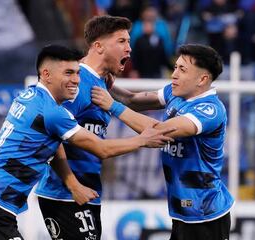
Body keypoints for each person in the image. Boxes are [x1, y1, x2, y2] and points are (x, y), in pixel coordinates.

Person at [0, 44, 174, 240]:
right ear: (46, 74)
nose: (76, 80)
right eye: (68, 73)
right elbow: (101, 148)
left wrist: (73, 185)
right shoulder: (53, 113)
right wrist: (142, 140)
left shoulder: (28, 96)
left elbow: (54, 148)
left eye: (78, 73)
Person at [92, 44, 234, 240]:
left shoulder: (210, 110)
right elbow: (132, 99)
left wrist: (112, 106)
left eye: (182, 70)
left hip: (205, 216)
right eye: (175, 67)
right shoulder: (175, 94)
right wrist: (104, 84)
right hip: (182, 213)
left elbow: (158, 131)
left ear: (202, 79)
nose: (174, 74)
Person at [34, 15, 135, 240]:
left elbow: (132, 100)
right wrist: (72, 185)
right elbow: (49, 133)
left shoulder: (101, 81)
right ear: (98, 46)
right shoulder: (76, 83)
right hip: (64, 194)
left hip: (86, 191)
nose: (129, 49)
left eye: (129, 42)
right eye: (122, 41)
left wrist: (171, 96)